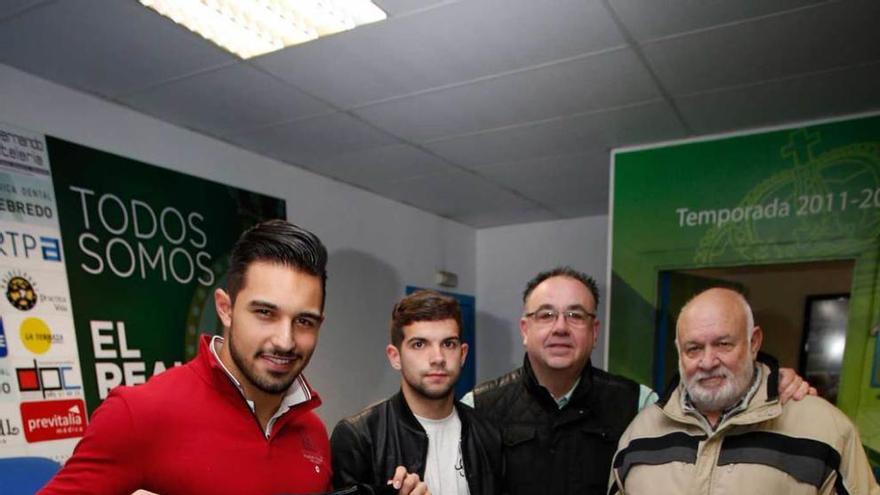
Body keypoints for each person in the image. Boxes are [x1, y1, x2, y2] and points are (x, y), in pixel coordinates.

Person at [39, 220, 333, 495]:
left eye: (304, 321)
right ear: (225, 308)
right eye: (265, 313)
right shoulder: (139, 414)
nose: (285, 341)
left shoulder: (314, 433)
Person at [465, 267, 814, 495]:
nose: (560, 327)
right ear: (525, 330)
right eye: (546, 315)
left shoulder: (640, 403)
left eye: (575, 315)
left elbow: (709, 413)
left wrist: (768, 380)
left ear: (594, 331)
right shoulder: (478, 407)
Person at [609, 287, 880, 494]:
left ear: (753, 343)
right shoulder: (640, 434)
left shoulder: (825, 429)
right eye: (693, 348)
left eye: (723, 344)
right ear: (679, 352)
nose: (707, 361)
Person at [331, 290, 503, 495]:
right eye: (419, 344)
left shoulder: (488, 433)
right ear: (395, 357)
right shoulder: (359, 437)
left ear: (463, 354)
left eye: (448, 344)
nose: (438, 358)